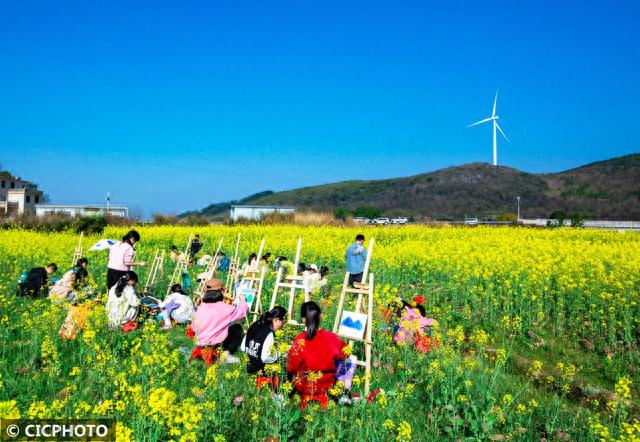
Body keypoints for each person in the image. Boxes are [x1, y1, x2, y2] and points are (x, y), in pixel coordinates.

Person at [287, 301, 348, 409]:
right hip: (327, 385)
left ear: (303, 319)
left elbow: (292, 366)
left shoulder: (300, 339)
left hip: (305, 385)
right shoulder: (332, 337)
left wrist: (289, 380)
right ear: (321, 316)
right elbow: (345, 352)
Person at [192, 278, 248, 363]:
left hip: (200, 343)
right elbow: (242, 312)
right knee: (237, 328)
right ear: (221, 292)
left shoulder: (201, 307)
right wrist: (243, 300)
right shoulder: (225, 308)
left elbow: (193, 327)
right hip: (215, 345)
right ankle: (226, 354)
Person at [241, 306, 287, 377]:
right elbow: (265, 358)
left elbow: (242, 347)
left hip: (248, 366)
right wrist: (279, 354)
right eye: (283, 323)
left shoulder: (255, 324)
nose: (282, 326)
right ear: (276, 320)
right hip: (260, 371)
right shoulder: (269, 333)